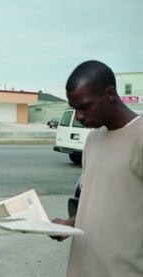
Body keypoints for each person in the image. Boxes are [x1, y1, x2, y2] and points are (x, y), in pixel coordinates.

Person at [52, 60, 143, 276]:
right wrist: (70, 223)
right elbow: (101, 205)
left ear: (110, 94)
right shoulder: (93, 139)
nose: (79, 117)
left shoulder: (139, 138)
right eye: (74, 109)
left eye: (84, 107)